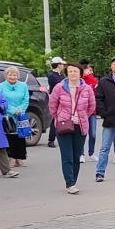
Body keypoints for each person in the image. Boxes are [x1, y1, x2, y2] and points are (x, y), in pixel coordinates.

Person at [48, 63, 96, 194]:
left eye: (75, 71)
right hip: (63, 124)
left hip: (80, 125)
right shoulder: (59, 87)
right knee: (67, 155)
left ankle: (73, 181)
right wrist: (59, 117)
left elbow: (91, 106)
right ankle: (69, 183)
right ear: (67, 73)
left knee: (76, 156)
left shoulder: (87, 88)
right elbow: (52, 105)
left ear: (80, 73)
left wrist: (82, 116)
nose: (73, 73)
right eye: (70, 71)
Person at [0, 66, 31, 168]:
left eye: (15, 74)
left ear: (18, 76)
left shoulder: (23, 86)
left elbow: (26, 99)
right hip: (7, 115)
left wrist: (20, 110)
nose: (12, 76)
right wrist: (12, 110)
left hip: (21, 115)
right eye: (10, 74)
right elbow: (0, 100)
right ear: (6, 75)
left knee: (21, 136)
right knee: (10, 136)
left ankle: (20, 158)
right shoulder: (0, 87)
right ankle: (11, 158)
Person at [80, 61, 99, 161]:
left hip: (92, 111)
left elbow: (95, 88)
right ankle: (81, 154)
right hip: (82, 111)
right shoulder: (80, 80)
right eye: (88, 70)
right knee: (83, 133)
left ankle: (91, 153)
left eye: (92, 70)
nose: (90, 72)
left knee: (93, 133)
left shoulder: (94, 80)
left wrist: (89, 76)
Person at [45, 57, 66, 148]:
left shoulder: (61, 75)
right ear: (58, 65)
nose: (63, 66)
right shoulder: (52, 75)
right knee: (55, 119)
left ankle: (60, 137)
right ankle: (51, 139)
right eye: (61, 64)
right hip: (55, 99)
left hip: (63, 99)